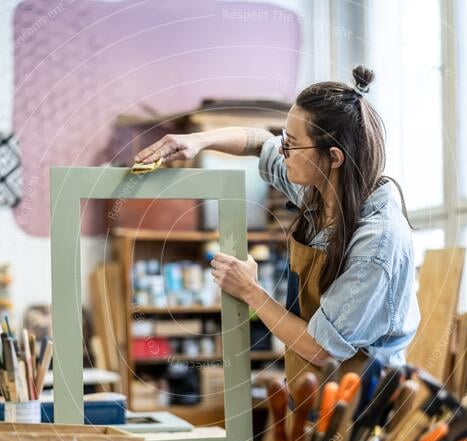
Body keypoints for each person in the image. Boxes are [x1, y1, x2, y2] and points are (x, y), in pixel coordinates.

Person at [134, 65, 420, 388]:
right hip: (316, 389)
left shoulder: (378, 241)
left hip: (364, 407)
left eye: (292, 145)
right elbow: (260, 142)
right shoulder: (319, 191)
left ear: (334, 157)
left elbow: (322, 348)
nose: (283, 152)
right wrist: (197, 141)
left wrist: (250, 292)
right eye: (286, 140)